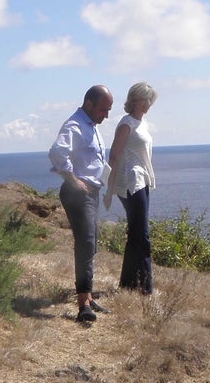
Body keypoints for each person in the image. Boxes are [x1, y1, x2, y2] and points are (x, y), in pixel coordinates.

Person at [49, 85, 113, 322]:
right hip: (78, 193)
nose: (106, 115)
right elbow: (57, 152)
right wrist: (72, 178)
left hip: (91, 192)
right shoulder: (74, 125)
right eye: (103, 109)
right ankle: (83, 303)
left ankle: (88, 293)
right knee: (86, 242)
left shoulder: (91, 126)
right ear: (89, 104)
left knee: (91, 242)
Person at [103, 82, 158, 295]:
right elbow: (114, 155)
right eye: (146, 99)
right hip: (130, 181)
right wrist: (110, 188)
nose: (149, 103)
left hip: (142, 180)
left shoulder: (141, 123)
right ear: (135, 100)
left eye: (150, 99)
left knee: (136, 234)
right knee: (142, 234)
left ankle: (128, 284)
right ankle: (145, 288)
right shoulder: (127, 123)